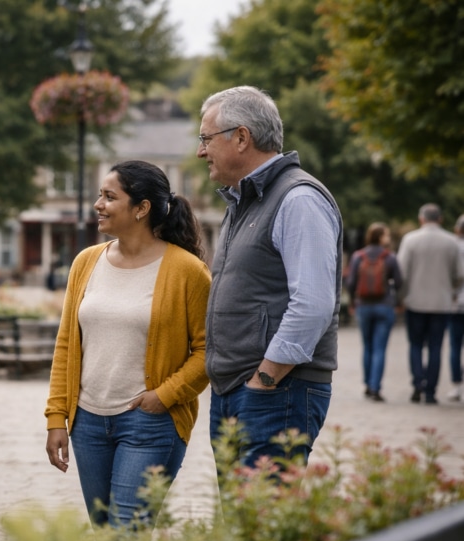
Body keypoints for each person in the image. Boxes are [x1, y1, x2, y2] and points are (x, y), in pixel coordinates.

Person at [44, 161, 211, 527]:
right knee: (105, 533)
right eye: (100, 196)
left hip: (149, 423)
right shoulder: (86, 262)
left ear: (141, 208)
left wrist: (163, 396)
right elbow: (67, 346)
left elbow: (207, 353)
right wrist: (57, 417)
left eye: (109, 197)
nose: (98, 204)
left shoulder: (188, 271)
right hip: (87, 423)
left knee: (127, 533)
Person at [198, 86, 343, 468]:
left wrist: (264, 380)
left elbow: (313, 305)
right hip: (245, 390)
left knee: (261, 518)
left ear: (241, 137)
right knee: (244, 522)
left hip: (276, 392)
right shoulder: (244, 200)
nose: (201, 151)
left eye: (205, 138)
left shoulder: (298, 198)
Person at [397, 203, 464, 404]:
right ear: (441, 219)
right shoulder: (451, 242)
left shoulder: (410, 240)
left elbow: (402, 273)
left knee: (416, 345)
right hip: (441, 303)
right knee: (436, 347)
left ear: (421, 218)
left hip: (415, 301)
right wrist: (450, 289)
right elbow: (460, 274)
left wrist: (402, 297)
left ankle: (418, 383)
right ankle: (431, 391)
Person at [344, 222, 403, 402]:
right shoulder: (389, 257)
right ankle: (375, 387)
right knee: (379, 349)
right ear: (380, 236)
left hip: (363, 306)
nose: (388, 237)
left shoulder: (358, 256)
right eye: (386, 234)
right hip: (384, 306)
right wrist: (396, 300)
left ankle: (367, 384)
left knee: (367, 347)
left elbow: (351, 282)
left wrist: (353, 303)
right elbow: (399, 282)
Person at [446, 214, 464, 402]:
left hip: (455, 302)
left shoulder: (452, 244)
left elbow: (456, 275)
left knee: (455, 345)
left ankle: (456, 385)